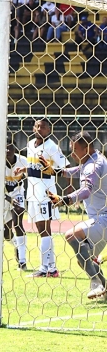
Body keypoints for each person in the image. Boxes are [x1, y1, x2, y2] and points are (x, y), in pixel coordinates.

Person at [48, 132, 107, 299]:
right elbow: (76, 171)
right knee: (84, 259)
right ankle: (104, 287)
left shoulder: (92, 166)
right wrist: (56, 171)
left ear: (86, 148)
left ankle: (96, 283)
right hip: (100, 219)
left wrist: (64, 199)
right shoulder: (95, 159)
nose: (72, 154)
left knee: (71, 235)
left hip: (104, 218)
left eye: (75, 150)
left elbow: (86, 190)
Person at [25, 118, 67, 277]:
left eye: (42, 127)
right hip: (32, 193)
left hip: (45, 193)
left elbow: (65, 166)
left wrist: (69, 187)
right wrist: (23, 169)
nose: (38, 129)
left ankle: (46, 268)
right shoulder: (30, 144)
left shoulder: (52, 147)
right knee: (40, 229)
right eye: (36, 126)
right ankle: (51, 268)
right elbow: (32, 166)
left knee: (45, 229)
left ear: (48, 130)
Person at [4, 139, 28, 271]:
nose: (8, 150)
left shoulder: (23, 160)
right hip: (3, 196)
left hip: (18, 194)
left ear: (15, 149)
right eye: (5, 148)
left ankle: (22, 261)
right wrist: (9, 199)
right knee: (6, 233)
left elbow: (32, 174)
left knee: (17, 223)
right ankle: (17, 245)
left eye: (11, 147)